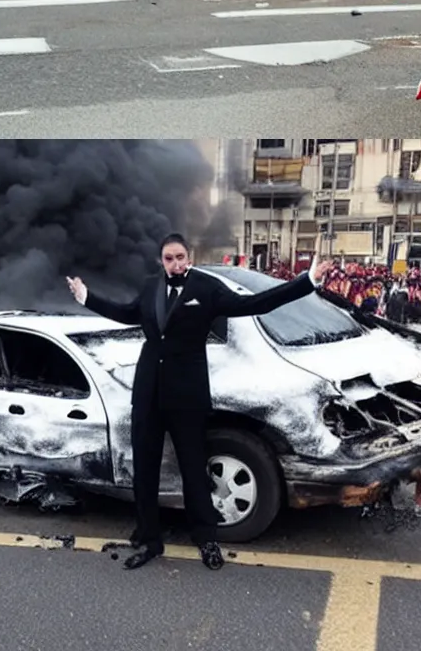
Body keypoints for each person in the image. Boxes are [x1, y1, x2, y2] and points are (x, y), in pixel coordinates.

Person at [66, 236, 332, 571]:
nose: (175, 263)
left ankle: (205, 538)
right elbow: (126, 313)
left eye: (180, 257)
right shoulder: (151, 288)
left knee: (194, 468)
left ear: (188, 257)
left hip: (187, 394)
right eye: (168, 258)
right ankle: (149, 539)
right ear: (160, 261)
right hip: (148, 391)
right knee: (144, 470)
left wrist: (306, 282)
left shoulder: (206, 288)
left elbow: (257, 303)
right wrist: (86, 297)